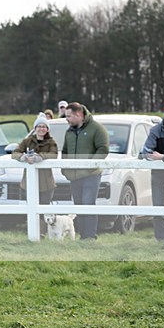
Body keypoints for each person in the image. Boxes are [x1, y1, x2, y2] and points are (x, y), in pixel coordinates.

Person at [61, 102, 109, 240]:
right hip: (74, 176)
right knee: (78, 205)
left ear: (79, 114)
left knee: (88, 204)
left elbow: (103, 149)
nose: (67, 119)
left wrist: (90, 165)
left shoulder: (97, 128)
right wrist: (64, 168)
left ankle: (90, 236)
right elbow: (65, 151)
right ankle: (82, 236)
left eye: (69, 116)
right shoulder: (69, 131)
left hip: (91, 175)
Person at [13, 113, 59, 204]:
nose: (41, 129)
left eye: (44, 127)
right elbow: (15, 153)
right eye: (39, 126)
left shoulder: (51, 142)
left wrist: (40, 157)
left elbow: (54, 154)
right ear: (35, 128)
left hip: (46, 184)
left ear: (47, 129)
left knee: (43, 208)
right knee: (30, 206)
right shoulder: (27, 141)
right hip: (28, 182)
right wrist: (23, 157)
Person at [138, 105, 164, 241]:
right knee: (157, 206)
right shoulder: (155, 130)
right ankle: (160, 239)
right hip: (159, 174)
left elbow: (156, 155)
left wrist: (162, 157)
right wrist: (147, 154)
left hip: (160, 167)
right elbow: (146, 150)